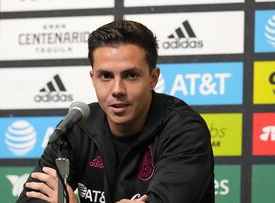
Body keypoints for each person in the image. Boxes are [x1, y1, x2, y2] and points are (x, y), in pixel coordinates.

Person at [17, 19, 214, 203]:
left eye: (131, 75)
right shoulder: (76, 128)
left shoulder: (184, 131)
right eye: (106, 76)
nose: (117, 90)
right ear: (92, 78)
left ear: (153, 78)